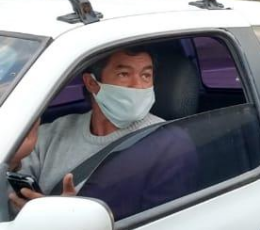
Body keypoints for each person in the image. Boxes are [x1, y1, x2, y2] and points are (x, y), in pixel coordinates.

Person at [9, 48, 199, 220]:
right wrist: (13, 161)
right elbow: (9, 204)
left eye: (146, 75)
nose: (138, 85)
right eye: (124, 74)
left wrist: (73, 219)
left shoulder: (170, 144)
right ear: (92, 83)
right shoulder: (52, 133)